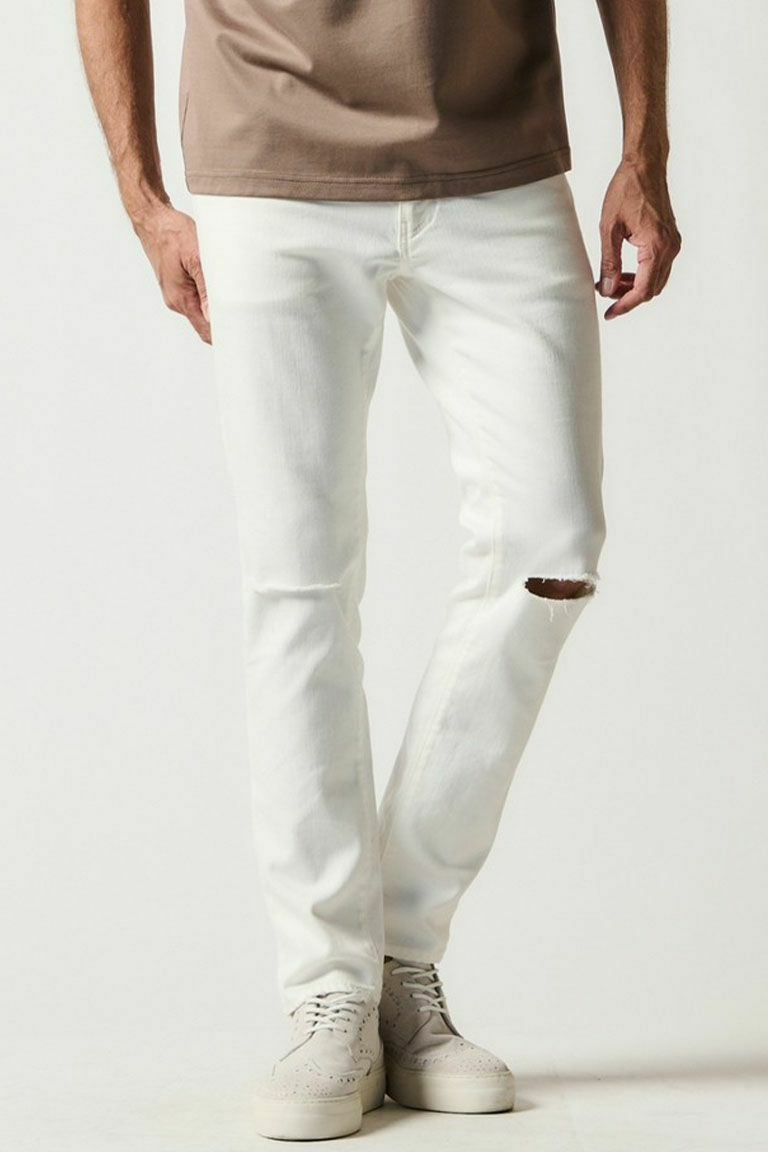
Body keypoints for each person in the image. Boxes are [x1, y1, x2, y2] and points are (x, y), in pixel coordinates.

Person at [76, 0, 681, 1140]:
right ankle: (331, 992)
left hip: (497, 156)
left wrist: (643, 150)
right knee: (298, 587)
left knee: (550, 545)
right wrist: (143, 197)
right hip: (270, 159)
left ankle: (398, 951)